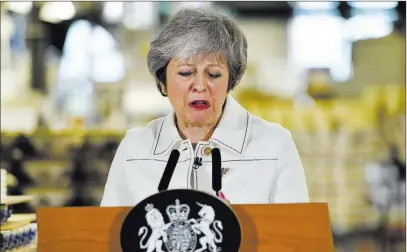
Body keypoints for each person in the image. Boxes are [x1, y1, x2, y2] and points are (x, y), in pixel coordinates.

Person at [101, 7, 309, 207]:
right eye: (185, 73)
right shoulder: (134, 148)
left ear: (231, 80)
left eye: (214, 74)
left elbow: (297, 236)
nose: (200, 86)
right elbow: (106, 235)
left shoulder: (274, 145)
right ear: (162, 80)